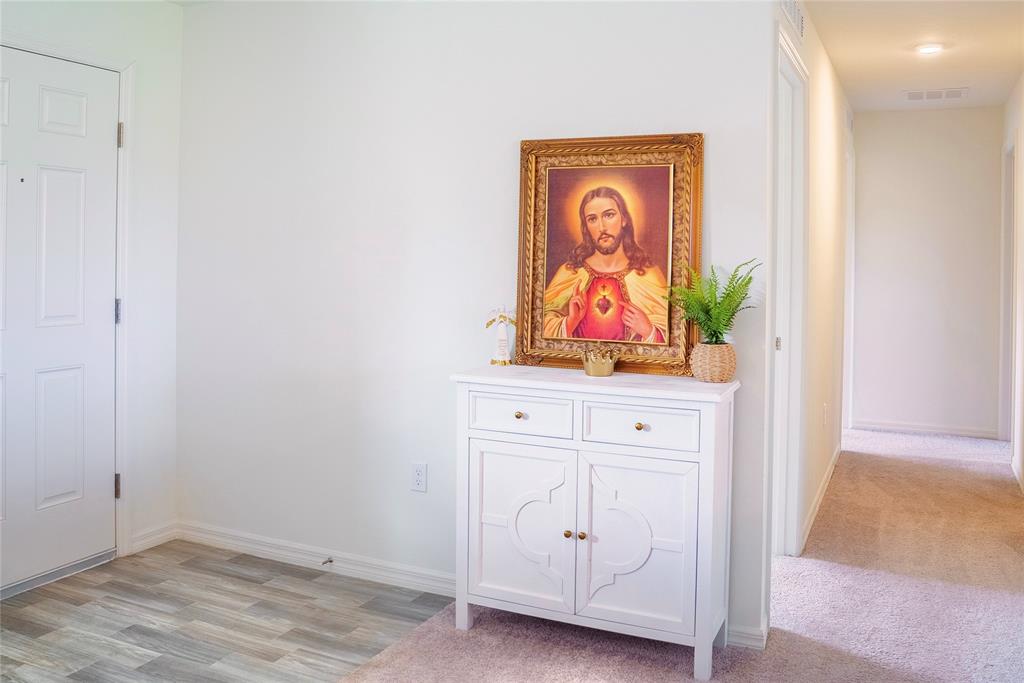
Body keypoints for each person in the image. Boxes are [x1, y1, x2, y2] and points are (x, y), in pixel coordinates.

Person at [543, 186, 668, 343]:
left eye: (609, 215)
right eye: (592, 219)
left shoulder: (648, 274)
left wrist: (648, 331)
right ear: (586, 227)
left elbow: (673, 336)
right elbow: (539, 328)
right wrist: (569, 322)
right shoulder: (570, 273)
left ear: (624, 219)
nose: (602, 227)